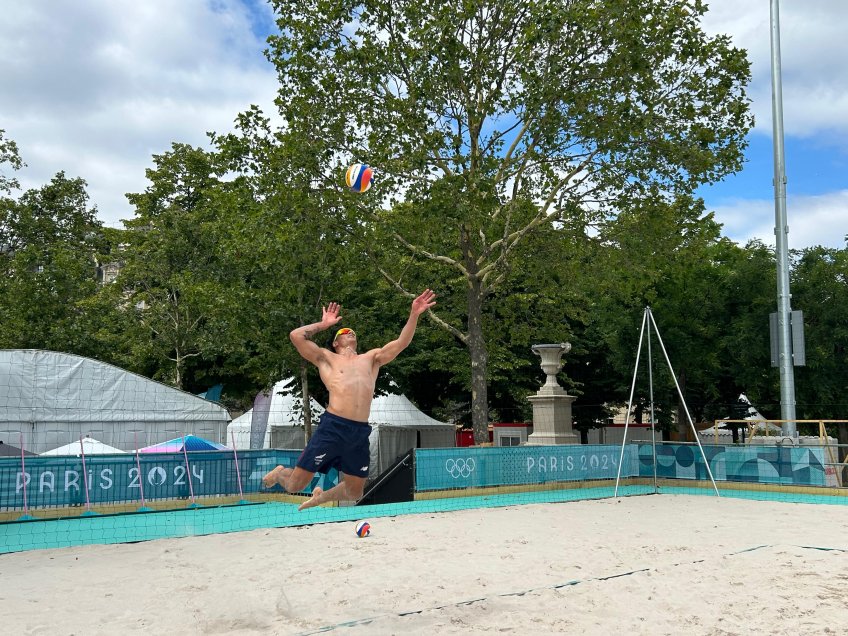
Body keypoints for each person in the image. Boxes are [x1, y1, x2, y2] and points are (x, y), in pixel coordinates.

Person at [262, 289, 437, 510]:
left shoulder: (371, 358)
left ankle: (321, 497)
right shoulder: (327, 358)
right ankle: (280, 474)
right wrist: (323, 325)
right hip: (333, 427)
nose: (350, 332)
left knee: (355, 491)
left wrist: (414, 314)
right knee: (296, 484)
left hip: (359, 431)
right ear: (336, 342)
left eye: (353, 331)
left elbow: (401, 343)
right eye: (345, 331)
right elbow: (296, 336)